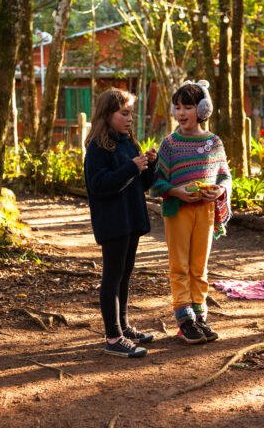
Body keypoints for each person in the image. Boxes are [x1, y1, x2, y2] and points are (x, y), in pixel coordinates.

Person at [150, 80, 232, 344]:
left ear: (203, 109)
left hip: (205, 212)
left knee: (199, 266)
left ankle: (199, 315)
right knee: (180, 266)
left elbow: (225, 177)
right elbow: (157, 181)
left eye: (187, 107)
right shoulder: (170, 144)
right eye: (177, 107)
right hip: (177, 212)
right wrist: (176, 191)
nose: (181, 113)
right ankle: (184, 319)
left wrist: (220, 191)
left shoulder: (214, 142)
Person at [84, 88, 157, 358]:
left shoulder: (129, 142)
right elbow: (99, 185)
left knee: (125, 274)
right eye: (123, 113)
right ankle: (113, 336)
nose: (129, 119)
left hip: (132, 217)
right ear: (107, 114)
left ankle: (124, 327)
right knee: (112, 277)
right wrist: (131, 167)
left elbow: (144, 184)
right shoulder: (97, 147)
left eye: (131, 114)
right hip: (112, 220)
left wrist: (150, 164)